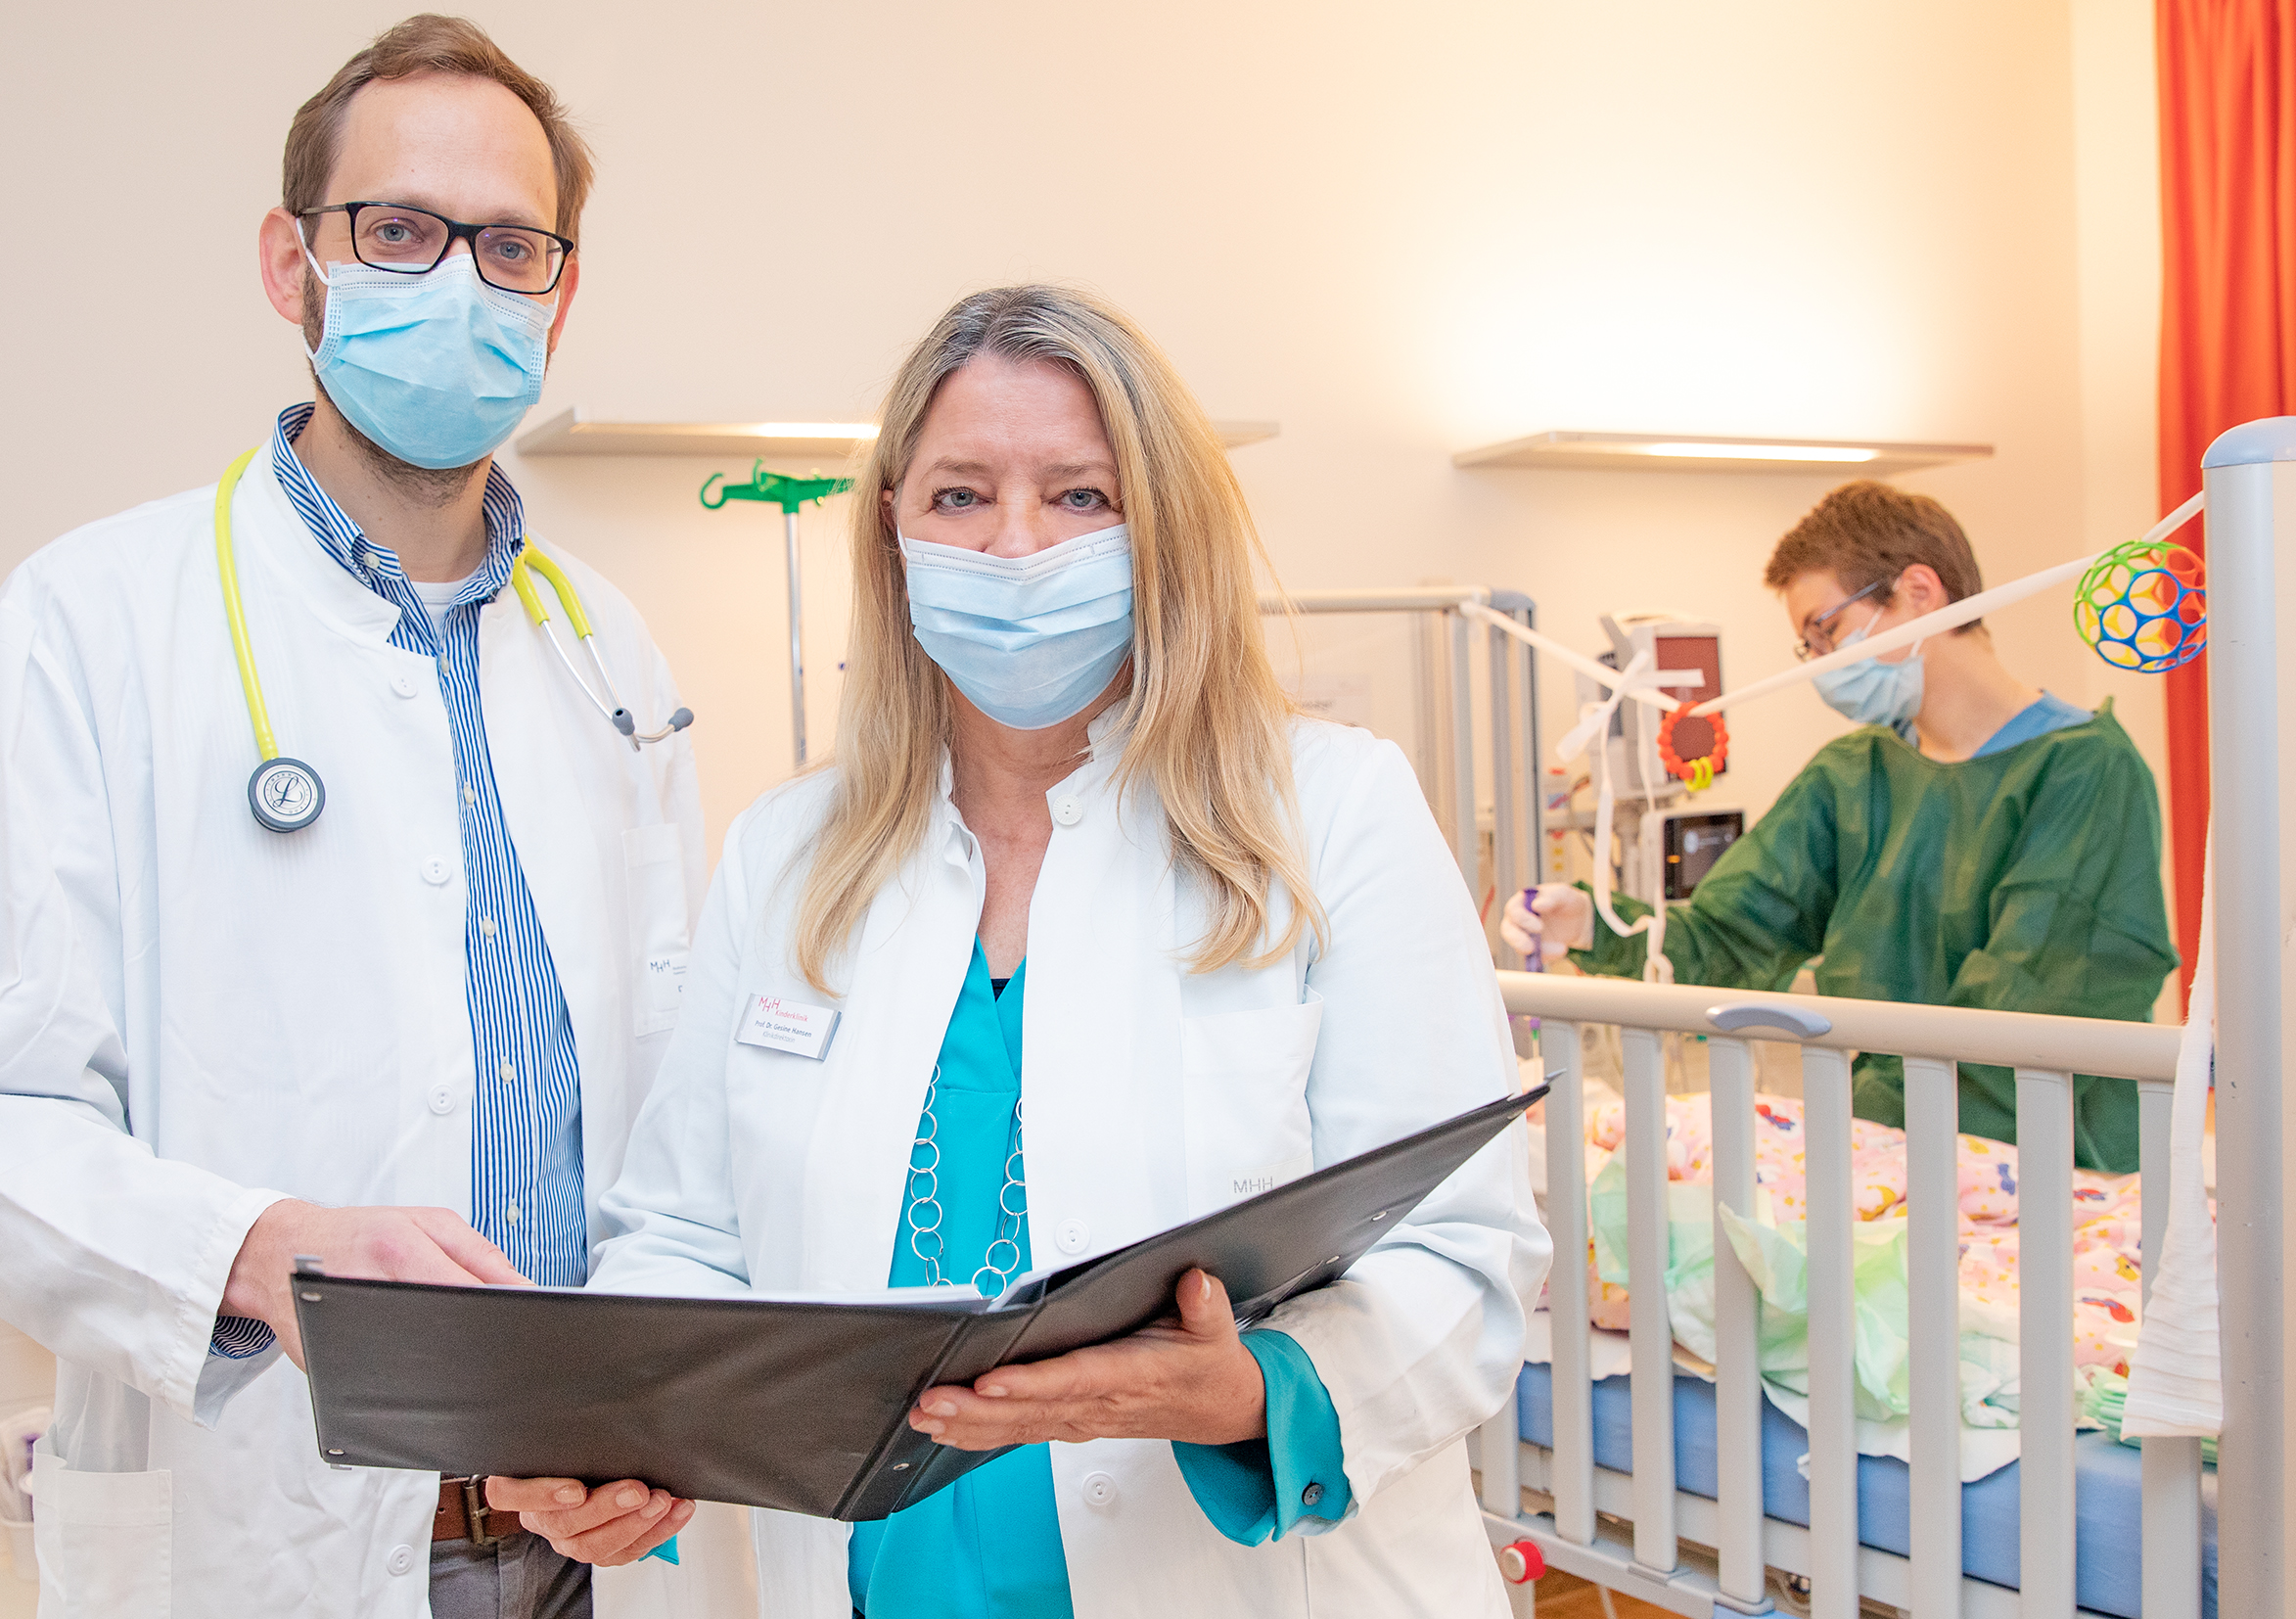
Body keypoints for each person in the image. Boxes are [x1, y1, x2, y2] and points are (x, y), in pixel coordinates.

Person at [481, 286, 1551, 1617]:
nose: (1016, 546)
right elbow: (688, 1234)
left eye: (1080, 496)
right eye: (962, 496)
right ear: (895, 526)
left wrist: (1250, 1388)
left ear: (1161, 527)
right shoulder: (787, 850)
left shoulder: (1331, 813)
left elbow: (1464, 1250)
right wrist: (627, 1427)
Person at [0, 18, 718, 1617]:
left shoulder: (613, 649)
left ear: (560, 287)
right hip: (264, 1529)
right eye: (397, 232)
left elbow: (678, 1110)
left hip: (582, 1534)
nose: (458, 281)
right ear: (290, 262)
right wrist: (253, 1247)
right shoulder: (88, 625)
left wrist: (662, 1388)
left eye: (509, 245)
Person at [1503, 481, 2177, 1171]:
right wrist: (1594, 925)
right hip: (1890, 1157)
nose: (1822, 663)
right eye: (1808, 646)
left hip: (2050, 1168)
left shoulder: (2085, 773)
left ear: (1919, 591)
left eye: (1825, 631)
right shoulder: (1854, 775)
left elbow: (2025, 1018)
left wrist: (1848, 1140)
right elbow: (1730, 938)